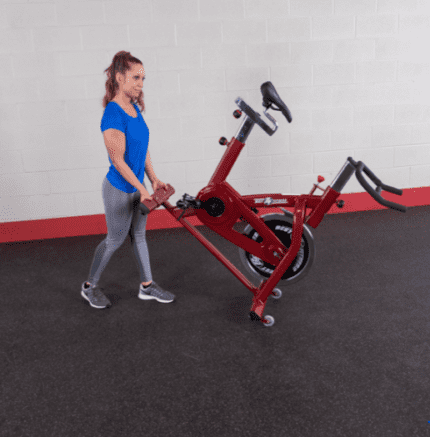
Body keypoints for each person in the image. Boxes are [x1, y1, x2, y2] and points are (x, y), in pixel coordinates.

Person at [81, 51, 175, 309]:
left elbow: (140, 148)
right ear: (119, 78)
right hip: (119, 188)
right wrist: (141, 188)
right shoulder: (112, 114)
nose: (140, 84)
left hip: (139, 189)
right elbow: (118, 160)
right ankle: (89, 287)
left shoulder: (133, 108)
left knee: (139, 236)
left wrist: (153, 179)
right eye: (135, 77)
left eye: (143, 78)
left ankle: (147, 286)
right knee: (115, 239)